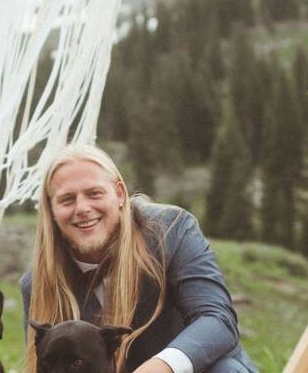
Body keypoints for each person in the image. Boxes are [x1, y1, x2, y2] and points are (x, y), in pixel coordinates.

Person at [21, 144, 257, 373]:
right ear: (51, 211)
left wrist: (162, 367)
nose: (82, 208)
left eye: (94, 193)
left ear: (120, 194)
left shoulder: (171, 230)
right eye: (67, 199)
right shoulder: (37, 283)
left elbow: (217, 320)